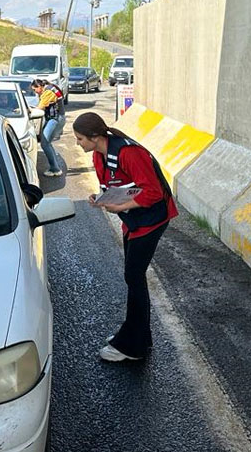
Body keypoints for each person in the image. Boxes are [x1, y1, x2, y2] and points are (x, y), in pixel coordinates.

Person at [72, 112, 178, 362]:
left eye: (79, 139)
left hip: (151, 221)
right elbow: (113, 185)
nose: (78, 143)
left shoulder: (129, 153)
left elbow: (152, 192)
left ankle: (133, 346)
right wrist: (100, 198)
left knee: (134, 277)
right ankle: (140, 337)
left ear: (94, 137)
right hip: (132, 221)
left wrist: (119, 207)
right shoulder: (99, 155)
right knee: (133, 277)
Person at [31, 79, 64, 177]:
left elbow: (40, 108)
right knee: (47, 143)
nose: (35, 92)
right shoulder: (50, 89)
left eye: (34, 89)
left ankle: (55, 169)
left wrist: (29, 109)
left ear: (39, 87)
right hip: (55, 119)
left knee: (45, 143)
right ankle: (55, 167)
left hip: (55, 119)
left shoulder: (48, 92)